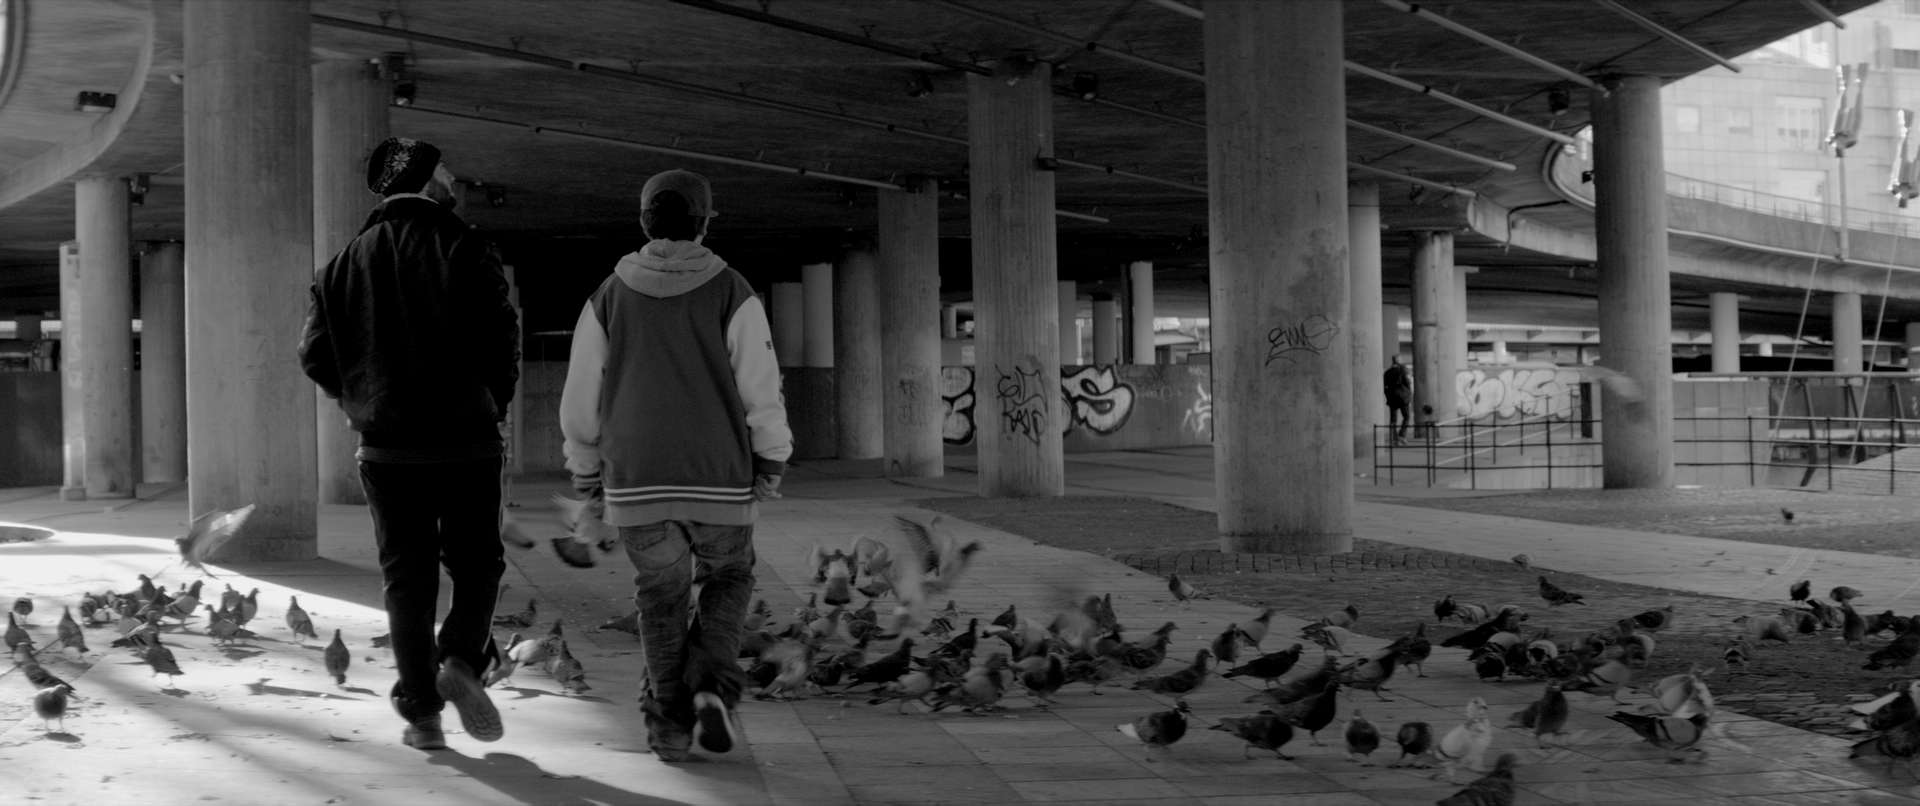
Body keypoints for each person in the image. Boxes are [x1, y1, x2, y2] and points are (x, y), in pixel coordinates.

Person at [559, 168, 791, 762]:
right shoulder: (733, 290)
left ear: (644, 222)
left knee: (659, 599)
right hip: (718, 475)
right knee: (729, 577)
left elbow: (581, 394)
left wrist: (585, 468)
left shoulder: (608, 296)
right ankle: (712, 685)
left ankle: (669, 728)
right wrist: (771, 457)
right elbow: (761, 384)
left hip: (636, 478)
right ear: (705, 222)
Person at [299, 137, 518, 750]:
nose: (453, 178)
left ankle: (423, 715)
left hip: (386, 449)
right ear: (426, 182)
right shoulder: (466, 247)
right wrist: (493, 402)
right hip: (467, 442)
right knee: (477, 564)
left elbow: (314, 355)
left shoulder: (340, 266)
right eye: (444, 170)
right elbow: (502, 338)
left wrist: (358, 401)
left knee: (407, 578)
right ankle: (462, 660)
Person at [1383, 355, 1412, 444]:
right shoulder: (1402, 370)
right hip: (1402, 397)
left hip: (1392, 398)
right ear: (1399, 360)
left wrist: (1388, 396)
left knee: (1393, 419)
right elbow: (1407, 383)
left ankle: (1394, 439)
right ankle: (1401, 435)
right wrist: (1409, 393)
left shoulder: (1387, 372)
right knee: (1406, 416)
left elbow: (1385, 387)